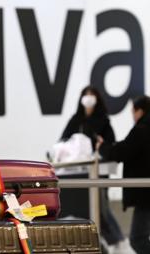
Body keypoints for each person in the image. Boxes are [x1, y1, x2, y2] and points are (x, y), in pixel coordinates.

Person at [99, 95, 150, 254]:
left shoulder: (142, 130)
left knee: (138, 239)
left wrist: (103, 147)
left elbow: (120, 152)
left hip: (149, 196)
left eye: (133, 112)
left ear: (140, 111)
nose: (133, 116)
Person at [60, 86, 127, 251]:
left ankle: (116, 239)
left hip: (98, 170)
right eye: (86, 95)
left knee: (101, 207)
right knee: (83, 206)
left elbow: (110, 144)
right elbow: (63, 139)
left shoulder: (103, 120)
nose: (88, 98)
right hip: (77, 171)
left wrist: (100, 145)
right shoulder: (75, 119)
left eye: (92, 95)